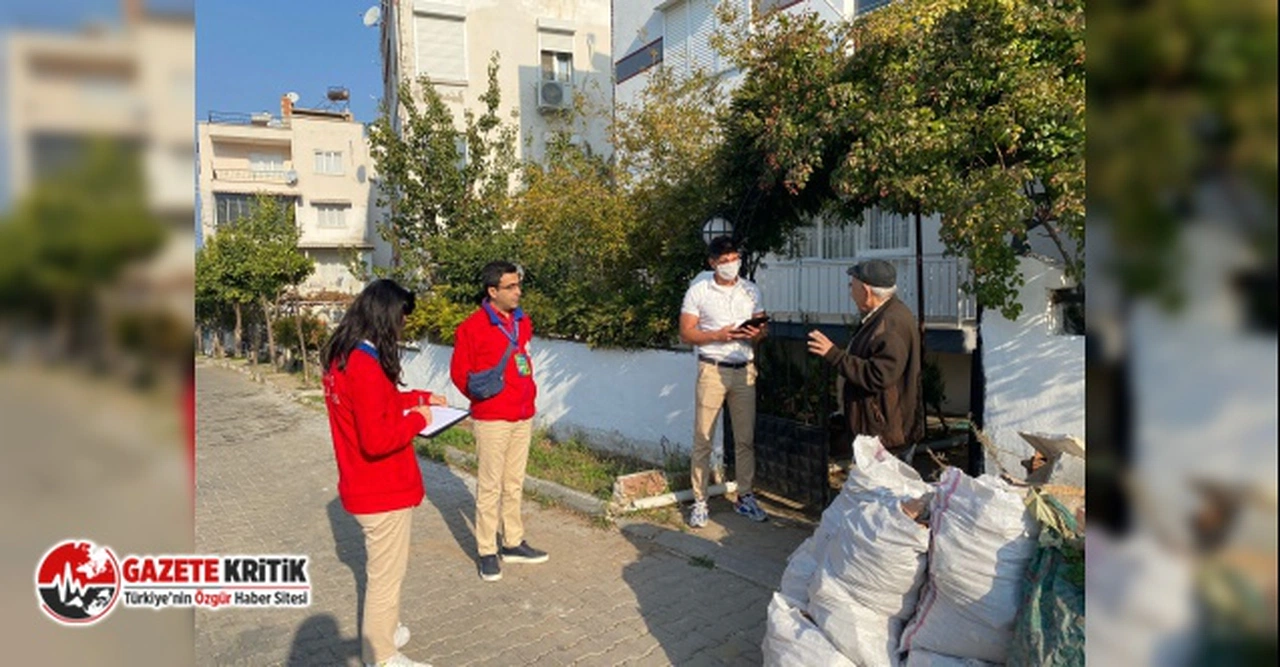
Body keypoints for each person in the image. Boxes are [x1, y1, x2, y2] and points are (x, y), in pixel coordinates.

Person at [320, 278, 445, 667]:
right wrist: (419, 419)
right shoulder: (365, 364)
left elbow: (379, 403)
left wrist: (420, 398)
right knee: (386, 579)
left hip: (363, 484)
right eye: (401, 317)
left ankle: (385, 631)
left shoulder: (345, 356)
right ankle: (382, 654)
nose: (403, 326)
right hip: (381, 488)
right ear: (385, 316)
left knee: (384, 574)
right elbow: (377, 439)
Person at [450, 261, 547, 582]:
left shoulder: (522, 321)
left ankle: (513, 542)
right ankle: (486, 550)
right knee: (490, 485)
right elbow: (459, 373)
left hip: (523, 414)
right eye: (511, 287)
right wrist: (484, 398)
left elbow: (524, 359)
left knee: (514, 482)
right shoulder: (472, 327)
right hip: (493, 418)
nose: (518, 292)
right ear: (493, 291)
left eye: (519, 285)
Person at [679, 236, 769, 528]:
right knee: (703, 437)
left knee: (745, 439)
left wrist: (755, 332)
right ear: (713, 263)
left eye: (734, 259)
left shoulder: (750, 290)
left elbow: (762, 329)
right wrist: (718, 335)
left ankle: (745, 496)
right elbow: (686, 333)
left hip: (744, 369)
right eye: (725, 260)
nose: (731, 265)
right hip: (712, 368)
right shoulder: (700, 290)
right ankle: (700, 500)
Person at [806, 259, 923, 463]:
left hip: (885, 436)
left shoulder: (891, 323)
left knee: (883, 483)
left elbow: (878, 375)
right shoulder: (883, 315)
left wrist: (833, 354)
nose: (851, 292)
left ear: (866, 291)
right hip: (880, 431)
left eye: (852, 285)